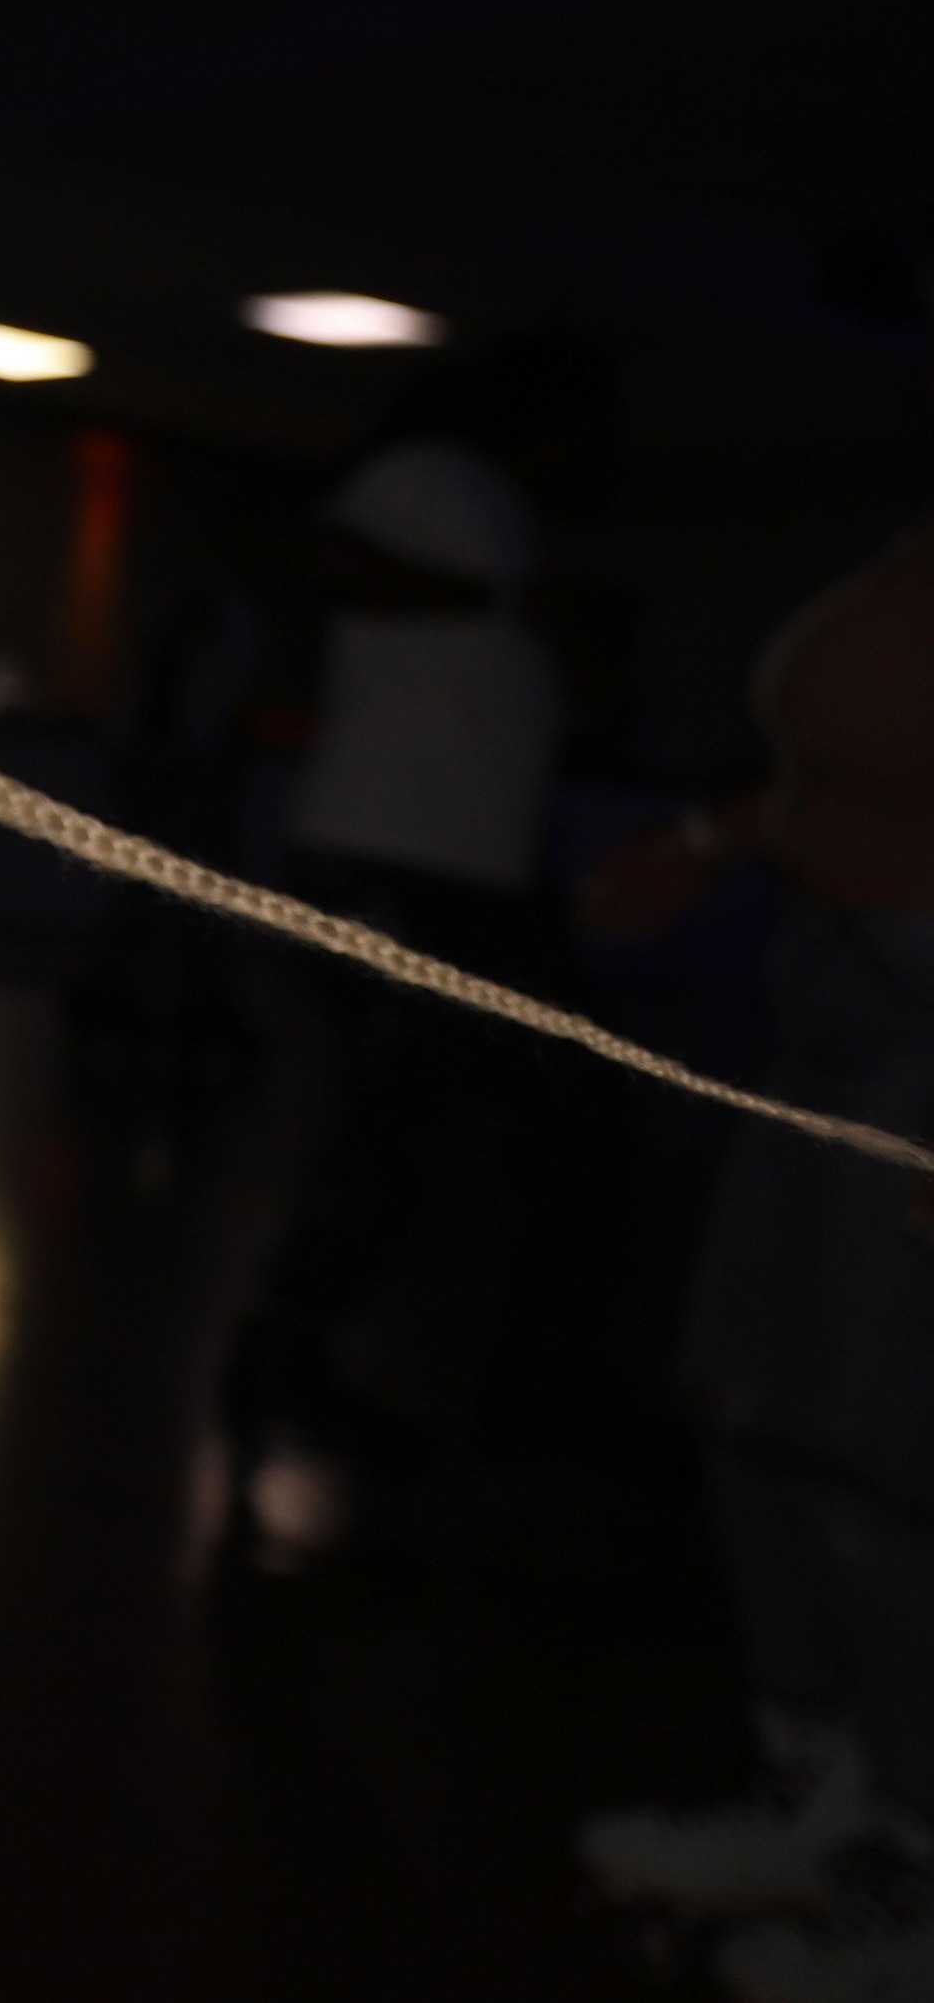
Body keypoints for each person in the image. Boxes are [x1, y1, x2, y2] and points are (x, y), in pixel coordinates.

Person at [570, 504, 934, 1998]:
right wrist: (718, 835)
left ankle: (909, 1872)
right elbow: (847, 760)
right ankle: (819, 1798)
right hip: (834, 999)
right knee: (757, 1414)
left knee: (881, 1460)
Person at [217, 345, 596, 1509]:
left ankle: (433, 1384)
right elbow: (325, 566)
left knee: (453, 1128)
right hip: (390, 854)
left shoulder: (499, 507)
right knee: (379, 1128)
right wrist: (497, 605)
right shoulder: (423, 474)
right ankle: (281, 1375)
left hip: (464, 864)